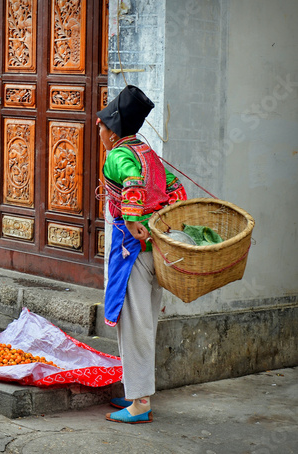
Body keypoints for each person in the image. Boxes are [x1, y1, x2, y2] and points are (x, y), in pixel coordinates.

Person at [96, 85, 187, 424]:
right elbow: (176, 188)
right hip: (156, 251)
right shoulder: (147, 151)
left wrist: (134, 220)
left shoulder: (119, 155)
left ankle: (139, 404)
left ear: (113, 130)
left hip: (132, 251)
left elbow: (132, 184)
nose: (99, 131)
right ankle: (138, 391)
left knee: (133, 325)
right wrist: (163, 224)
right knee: (146, 323)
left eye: (102, 126)